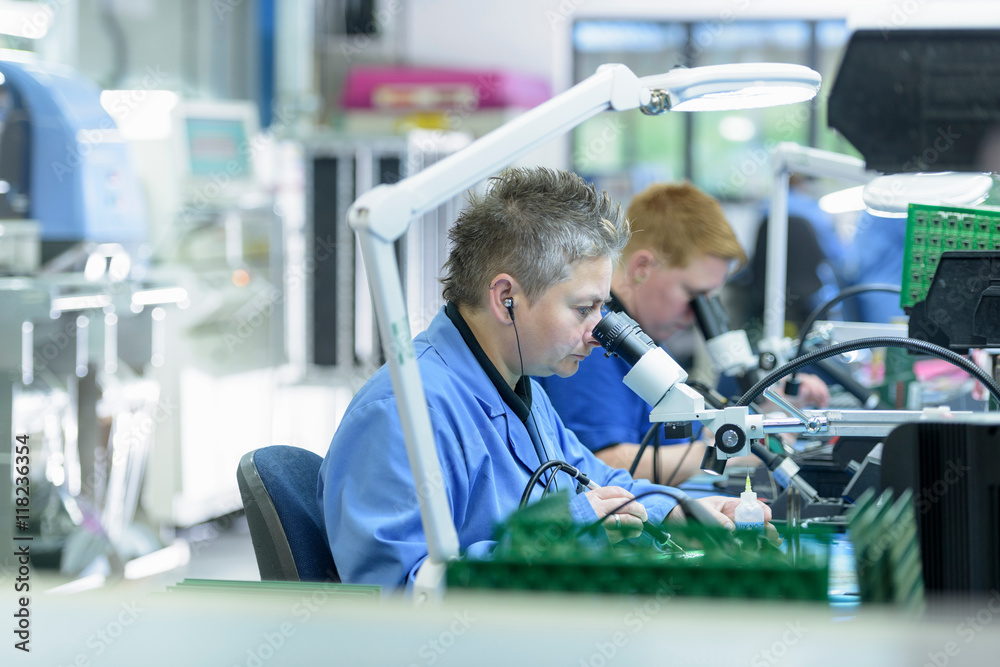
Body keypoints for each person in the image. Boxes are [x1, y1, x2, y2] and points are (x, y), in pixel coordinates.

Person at [317, 168, 769, 591]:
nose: (599, 332)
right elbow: (399, 595)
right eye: (583, 309)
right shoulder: (403, 413)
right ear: (506, 298)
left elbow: (601, 482)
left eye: (603, 308)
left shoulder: (520, 386)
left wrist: (684, 511)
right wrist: (565, 536)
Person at [538, 182, 829, 485]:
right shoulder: (595, 343)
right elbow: (603, 462)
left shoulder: (647, 342)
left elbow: (676, 444)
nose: (696, 316)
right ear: (642, 268)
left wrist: (764, 408)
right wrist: (735, 450)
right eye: (693, 295)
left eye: (708, 301)